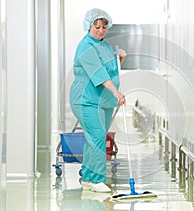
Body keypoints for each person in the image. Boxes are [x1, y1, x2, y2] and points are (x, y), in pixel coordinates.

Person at [69, 8, 127, 193]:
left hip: (103, 100)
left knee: (93, 138)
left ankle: (87, 177)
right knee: (98, 137)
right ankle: (96, 180)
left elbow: (111, 71)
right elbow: (99, 76)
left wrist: (121, 60)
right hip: (86, 100)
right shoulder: (86, 47)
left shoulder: (104, 45)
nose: (101, 30)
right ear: (89, 26)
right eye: (97, 27)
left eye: (104, 27)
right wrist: (117, 93)